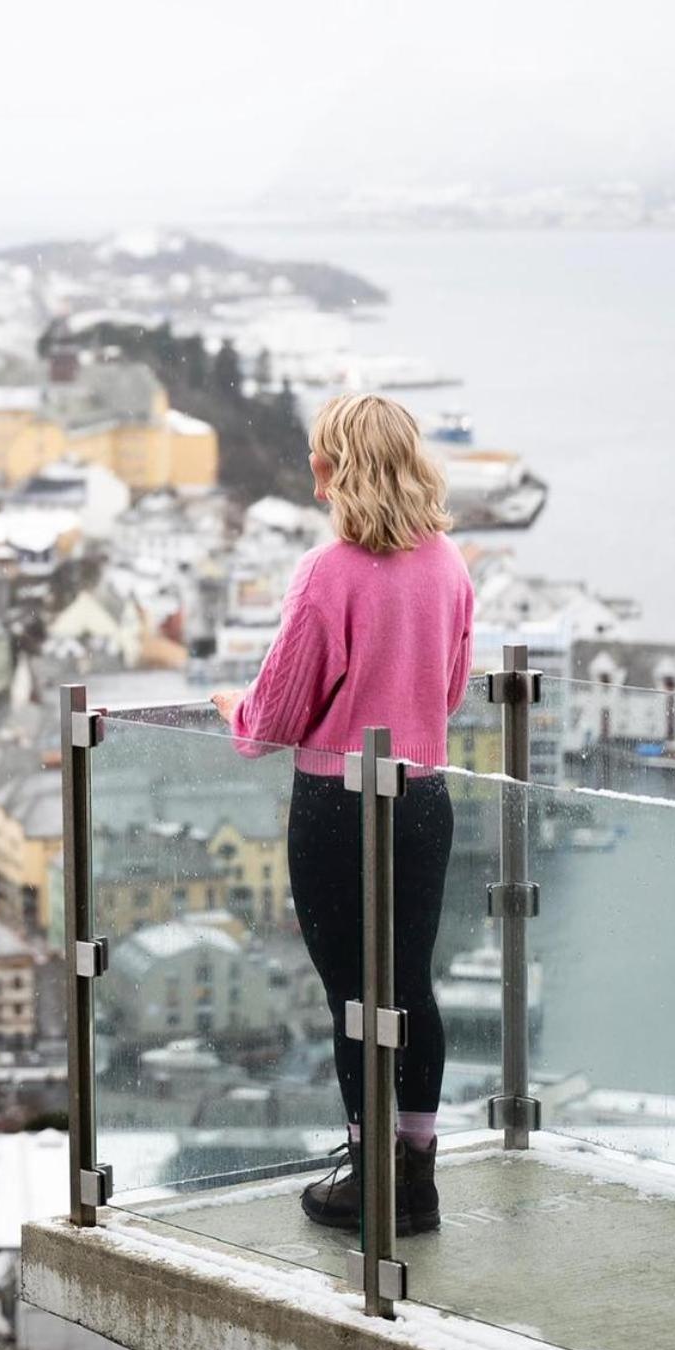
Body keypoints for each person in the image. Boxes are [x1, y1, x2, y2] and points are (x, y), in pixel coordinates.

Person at [212, 393, 473, 1235]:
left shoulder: (328, 572)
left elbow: (278, 714)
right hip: (424, 798)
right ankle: (420, 1177)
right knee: (410, 989)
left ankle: (370, 1179)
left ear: (337, 469)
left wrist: (233, 710)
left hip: (336, 805)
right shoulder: (450, 566)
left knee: (353, 998)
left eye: (321, 461)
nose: (315, 478)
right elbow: (452, 692)